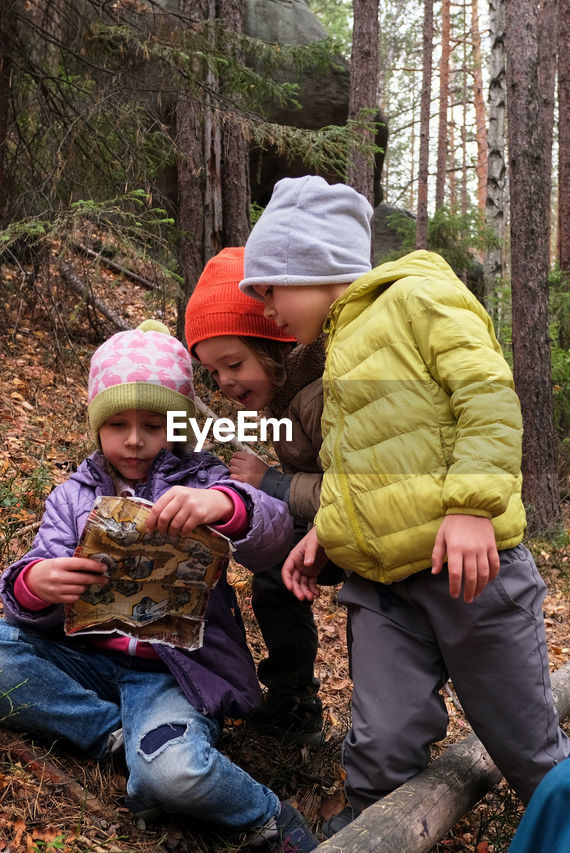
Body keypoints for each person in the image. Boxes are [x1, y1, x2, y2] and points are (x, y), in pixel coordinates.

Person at [238, 176, 570, 835]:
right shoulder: (334, 355)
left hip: (471, 574)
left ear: (313, 263)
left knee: (526, 745)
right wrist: (329, 531)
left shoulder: (418, 296)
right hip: (385, 588)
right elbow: (361, 463)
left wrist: (474, 506)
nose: (265, 308)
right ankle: (371, 830)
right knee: (381, 744)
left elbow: (487, 394)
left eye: (268, 286)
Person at [0, 319, 319, 851]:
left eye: (155, 423)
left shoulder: (204, 481)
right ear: (97, 427)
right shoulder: (73, 497)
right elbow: (31, 588)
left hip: (172, 675)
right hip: (81, 661)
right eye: (117, 423)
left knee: (175, 776)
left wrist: (227, 506)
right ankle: (114, 739)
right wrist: (37, 585)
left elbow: (273, 533)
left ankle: (266, 815)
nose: (136, 439)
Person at [184, 246, 338, 745]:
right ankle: (292, 696)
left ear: (274, 343)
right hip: (324, 522)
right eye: (213, 373)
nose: (225, 383)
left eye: (234, 363)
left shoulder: (318, 395)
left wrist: (269, 483)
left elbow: (354, 489)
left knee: (280, 564)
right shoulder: (281, 393)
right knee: (272, 565)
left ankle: (303, 700)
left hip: (365, 526)